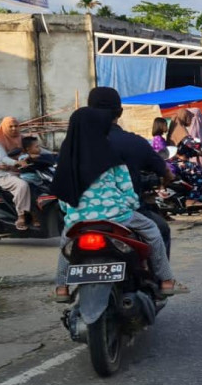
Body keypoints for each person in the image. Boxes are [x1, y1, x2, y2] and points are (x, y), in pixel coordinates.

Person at [51, 107, 188, 301]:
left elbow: (63, 197)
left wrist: (73, 213)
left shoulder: (66, 160)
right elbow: (128, 191)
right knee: (153, 232)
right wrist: (129, 206)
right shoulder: (111, 156)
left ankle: (62, 288)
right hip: (116, 217)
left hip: (78, 221)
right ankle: (166, 281)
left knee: (66, 246)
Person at [86, 87, 174, 256]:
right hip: (126, 213)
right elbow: (164, 170)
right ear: (119, 112)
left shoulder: (75, 143)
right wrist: (168, 177)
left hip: (82, 216)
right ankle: (162, 279)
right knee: (161, 229)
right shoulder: (134, 143)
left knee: (67, 243)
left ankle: (62, 282)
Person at [0, 116, 32, 230]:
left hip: (22, 170)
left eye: (16, 126)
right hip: (5, 174)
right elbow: (3, 158)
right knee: (22, 185)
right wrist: (17, 162)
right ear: (4, 127)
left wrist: (55, 154)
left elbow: (35, 148)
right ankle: (21, 216)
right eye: (11, 126)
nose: (14, 129)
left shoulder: (21, 138)